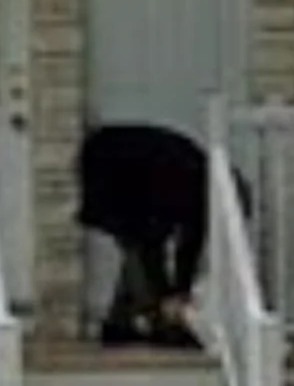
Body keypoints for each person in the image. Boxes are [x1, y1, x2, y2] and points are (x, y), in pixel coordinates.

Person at [72, 123, 238, 347]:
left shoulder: (196, 175)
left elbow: (185, 246)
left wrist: (178, 289)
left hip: (122, 165)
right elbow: (183, 245)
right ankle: (159, 322)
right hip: (116, 169)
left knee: (138, 246)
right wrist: (175, 293)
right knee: (141, 247)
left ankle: (120, 322)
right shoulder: (196, 186)